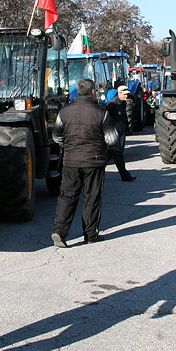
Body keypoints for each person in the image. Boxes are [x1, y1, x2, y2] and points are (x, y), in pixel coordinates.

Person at [51, 79, 119, 248]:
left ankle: (60, 232)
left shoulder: (64, 111)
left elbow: (56, 137)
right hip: (94, 161)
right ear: (93, 92)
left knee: (67, 196)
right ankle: (90, 235)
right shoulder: (101, 112)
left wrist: (69, 147)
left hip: (70, 160)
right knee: (92, 198)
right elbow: (112, 139)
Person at [105, 85, 136, 181]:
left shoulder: (123, 103)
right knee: (117, 155)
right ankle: (125, 176)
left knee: (112, 155)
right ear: (119, 93)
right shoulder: (111, 105)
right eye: (124, 94)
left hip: (120, 133)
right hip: (112, 134)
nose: (126, 96)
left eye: (127, 94)